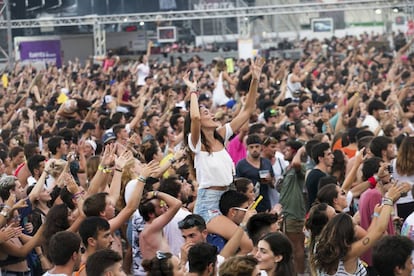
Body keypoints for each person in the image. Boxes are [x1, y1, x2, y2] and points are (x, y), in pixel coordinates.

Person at [183, 57, 264, 254]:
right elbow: (193, 116)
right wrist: (193, 91)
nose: (210, 114)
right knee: (244, 243)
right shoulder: (196, 143)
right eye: (205, 112)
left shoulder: (220, 135)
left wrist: (255, 80)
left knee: (245, 242)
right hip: (209, 204)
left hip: (227, 198)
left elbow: (247, 111)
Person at [314, 183, 404, 276]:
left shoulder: (319, 246)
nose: (337, 215)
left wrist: (376, 215)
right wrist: (388, 200)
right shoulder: (348, 254)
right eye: (334, 215)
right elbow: (378, 232)